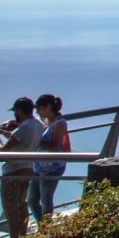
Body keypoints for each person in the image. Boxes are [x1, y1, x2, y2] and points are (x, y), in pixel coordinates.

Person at [0, 97, 45, 238]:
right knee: (22, 205)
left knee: (11, 208)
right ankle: (22, 237)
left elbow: (3, 151)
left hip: (13, 171)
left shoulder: (24, 129)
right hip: (28, 169)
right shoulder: (38, 124)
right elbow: (18, 137)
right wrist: (6, 131)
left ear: (19, 111)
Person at [29, 94, 70, 223]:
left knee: (46, 199)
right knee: (32, 199)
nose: (38, 112)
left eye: (40, 109)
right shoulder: (46, 121)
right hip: (39, 166)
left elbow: (55, 147)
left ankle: (45, 230)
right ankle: (43, 227)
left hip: (53, 167)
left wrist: (37, 142)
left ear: (49, 107)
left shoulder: (60, 123)